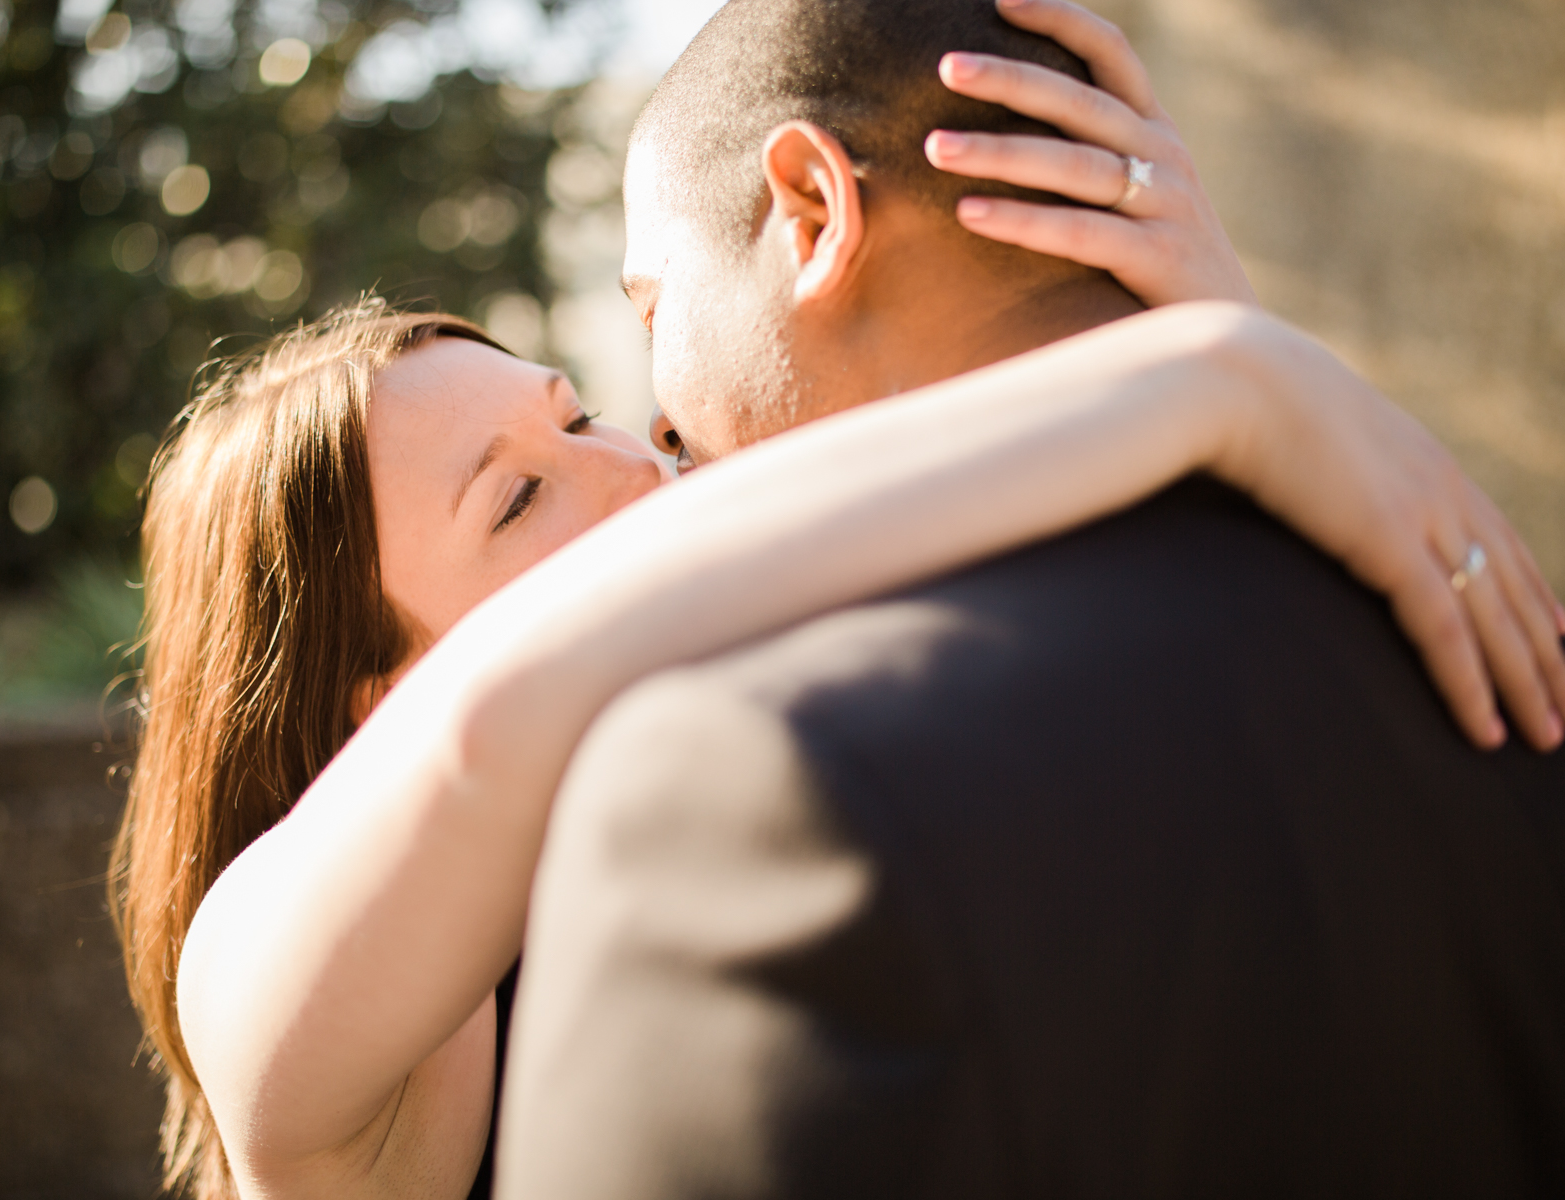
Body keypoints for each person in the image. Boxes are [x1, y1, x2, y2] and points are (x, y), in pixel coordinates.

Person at [109, 6, 1565, 1200]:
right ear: (373, 702)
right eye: (519, 497)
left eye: (575, 414)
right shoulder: (288, 1019)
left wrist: (1208, 352)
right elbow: (496, 717)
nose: (636, 455)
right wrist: (1210, 375)